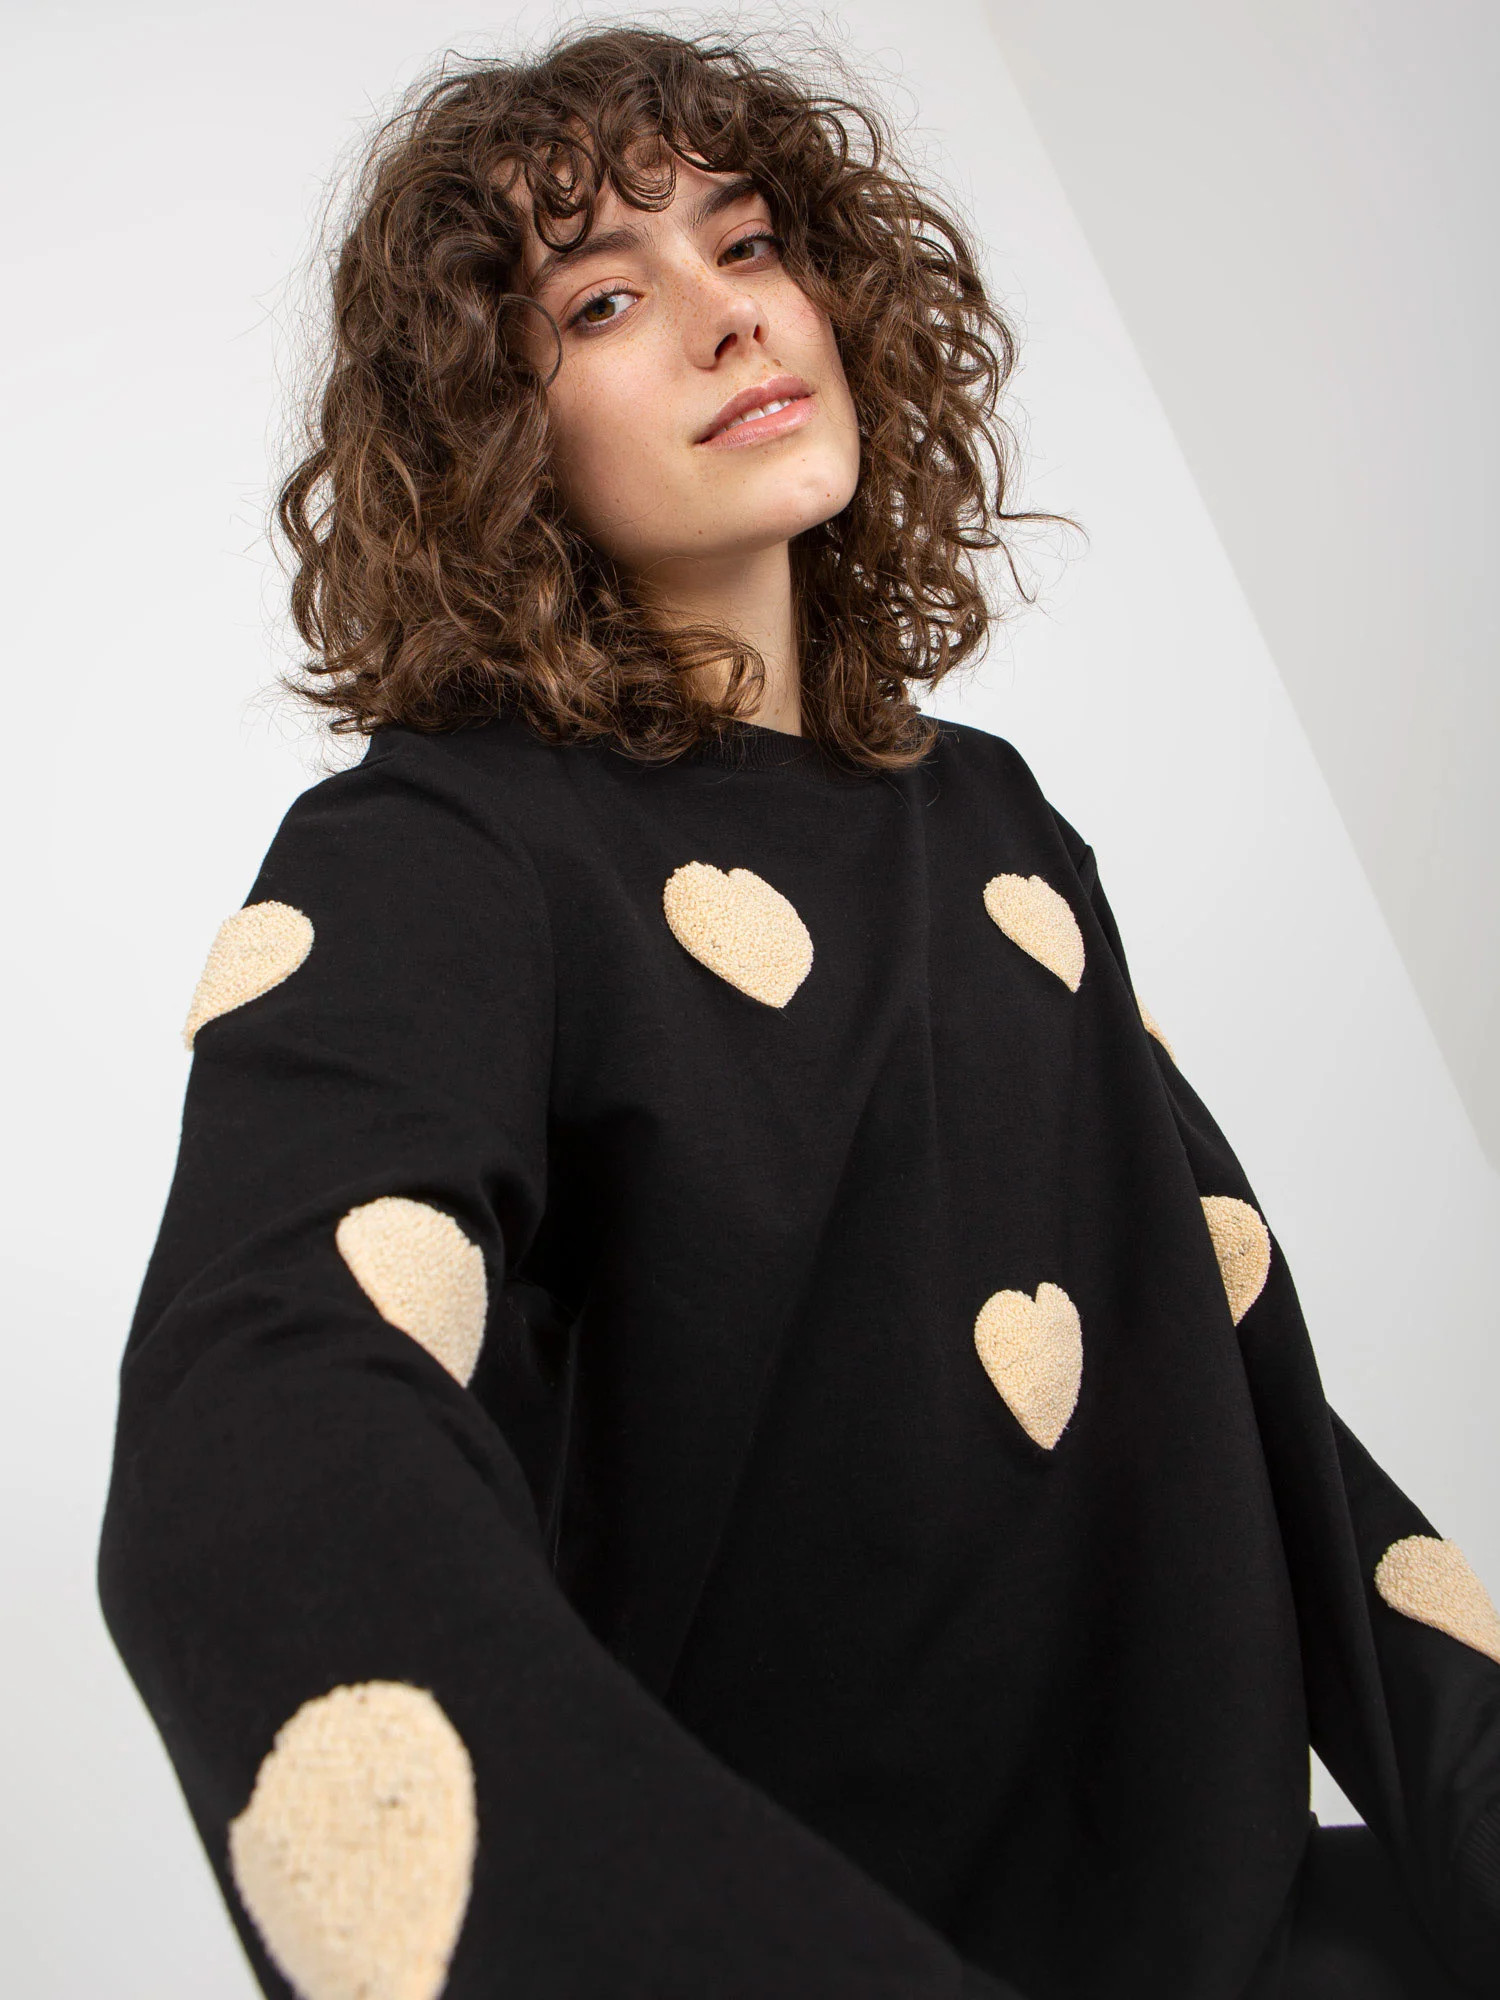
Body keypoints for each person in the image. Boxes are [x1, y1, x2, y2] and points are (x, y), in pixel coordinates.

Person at [97, 24, 1500, 2000]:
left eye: (748, 243)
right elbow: (264, 1420)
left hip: (1247, 1939)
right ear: (494, 428)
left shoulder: (1000, 825)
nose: (726, 315)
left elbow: (1249, 1393)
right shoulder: (442, 848)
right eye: (604, 297)